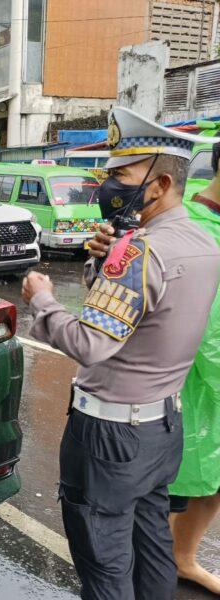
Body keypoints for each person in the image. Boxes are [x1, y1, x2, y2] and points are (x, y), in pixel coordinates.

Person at [22, 107, 220, 600]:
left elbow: (90, 342)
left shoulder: (141, 253)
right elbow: (150, 312)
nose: (107, 185)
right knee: (152, 547)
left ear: (159, 184)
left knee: (104, 562)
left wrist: (41, 299)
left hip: (109, 437)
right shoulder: (200, 240)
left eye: (120, 175)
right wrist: (101, 262)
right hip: (161, 429)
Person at [168, 142, 220, 594]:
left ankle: (183, 559)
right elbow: (209, 329)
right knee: (181, 482)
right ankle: (161, 563)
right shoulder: (196, 229)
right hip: (199, 385)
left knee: (212, 484)